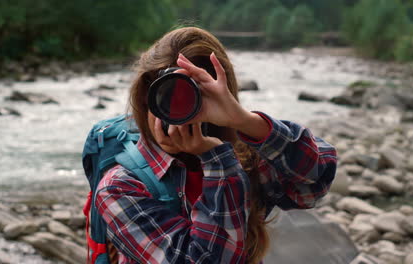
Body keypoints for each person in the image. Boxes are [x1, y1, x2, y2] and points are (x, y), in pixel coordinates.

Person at [94, 27, 337, 264]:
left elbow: (315, 182)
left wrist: (244, 120)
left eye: (187, 98)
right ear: (145, 97)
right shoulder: (120, 186)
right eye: (164, 96)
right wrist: (217, 163)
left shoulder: (246, 160)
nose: (172, 113)